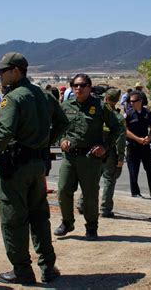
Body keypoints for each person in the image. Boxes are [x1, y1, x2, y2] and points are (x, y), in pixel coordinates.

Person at [0, 52, 63, 285]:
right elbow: (62, 121)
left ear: (17, 71)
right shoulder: (43, 94)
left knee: (13, 218)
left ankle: (22, 270)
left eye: (3, 71)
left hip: (16, 164)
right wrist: (45, 142)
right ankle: (48, 267)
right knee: (39, 215)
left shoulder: (13, 98)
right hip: (37, 163)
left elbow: (5, 130)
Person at [55, 74, 125, 241]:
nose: (79, 88)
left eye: (83, 85)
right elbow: (57, 127)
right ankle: (67, 222)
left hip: (90, 158)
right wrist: (61, 140)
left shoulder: (100, 106)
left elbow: (118, 128)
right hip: (70, 156)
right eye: (75, 85)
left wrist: (105, 147)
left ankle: (91, 227)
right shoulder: (65, 106)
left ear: (89, 87)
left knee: (90, 194)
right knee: (63, 189)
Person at [77, 89, 127, 218]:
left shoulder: (97, 114)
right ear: (116, 101)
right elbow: (120, 140)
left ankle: (82, 203)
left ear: (105, 99)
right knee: (109, 180)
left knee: (91, 179)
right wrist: (120, 158)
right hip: (110, 152)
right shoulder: (118, 117)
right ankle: (105, 209)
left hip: (94, 150)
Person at [125, 91, 151, 199]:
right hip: (133, 145)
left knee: (150, 167)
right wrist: (137, 139)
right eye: (130, 101)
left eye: (134, 101)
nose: (131, 103)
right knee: (134, 170)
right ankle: (135, 192)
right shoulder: (128, 114)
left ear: (140, 101)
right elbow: (124, 130)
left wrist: (150, 136)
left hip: (145, 145)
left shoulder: (147, 112)